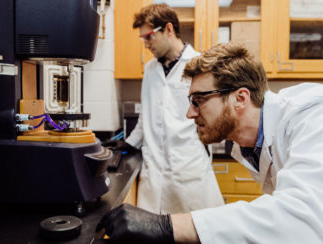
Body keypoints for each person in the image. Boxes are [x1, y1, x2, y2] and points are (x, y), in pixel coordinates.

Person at [96, 42, 323, 243]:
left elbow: (304, 219)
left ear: (240, 98)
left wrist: (167, 227)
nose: (189, 114)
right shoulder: (250, 145)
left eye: (198, 101)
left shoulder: (313, 115)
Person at [104, 3, 223, 214]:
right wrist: (128, 143)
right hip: (154, 174)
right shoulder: (150, 69)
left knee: (193, 232)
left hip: (188, 171)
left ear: (168, 29)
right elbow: (146, 116)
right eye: (143, 38)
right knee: (152, 232)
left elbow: (212, 118)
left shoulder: (198, 65)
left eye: (148, 36)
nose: (146, 44)